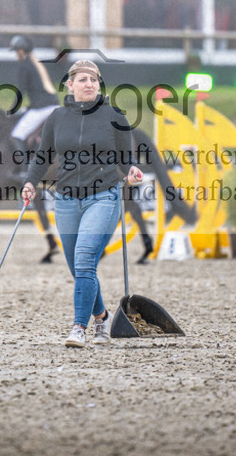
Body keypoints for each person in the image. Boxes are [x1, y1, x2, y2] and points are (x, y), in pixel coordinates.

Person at [21, 59, 144, 348]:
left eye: (94, 79)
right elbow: (42, 157)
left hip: (103, 197)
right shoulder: (56, 117)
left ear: (99, 84)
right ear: (70, 84)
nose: (89, 84)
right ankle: (102, 317)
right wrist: (29, 182)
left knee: (86, 258)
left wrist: (132, 172)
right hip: (65, 200)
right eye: (83, 79)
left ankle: (79, 327)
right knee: (78, 268)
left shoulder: (115, 116)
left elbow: (127, 159)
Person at [8, 35, 59, 144]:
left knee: (17, 135)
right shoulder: (37, 63)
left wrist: (12, 111)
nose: (16, 54)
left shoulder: (24, 66)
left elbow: (21, 92)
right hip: (53, 105)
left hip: (42, 108)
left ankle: (24, 162)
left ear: (21, 51)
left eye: (16, 51)